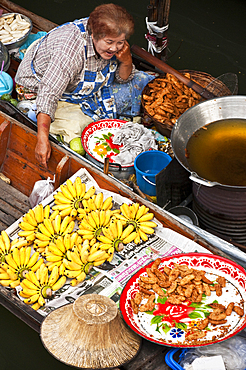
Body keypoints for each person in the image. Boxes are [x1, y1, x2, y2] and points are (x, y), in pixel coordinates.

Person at [15, 3, 154, 168]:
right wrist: (42, 139)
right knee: (84, 128)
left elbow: (123, 78)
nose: (114, 48)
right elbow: (48, 95)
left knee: (142, 81)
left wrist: (126, 61)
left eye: (120, 42)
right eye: (109, 42)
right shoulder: (69, 52)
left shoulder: (111, 39)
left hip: (84, 84)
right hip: (41, 89)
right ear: (94, 35)